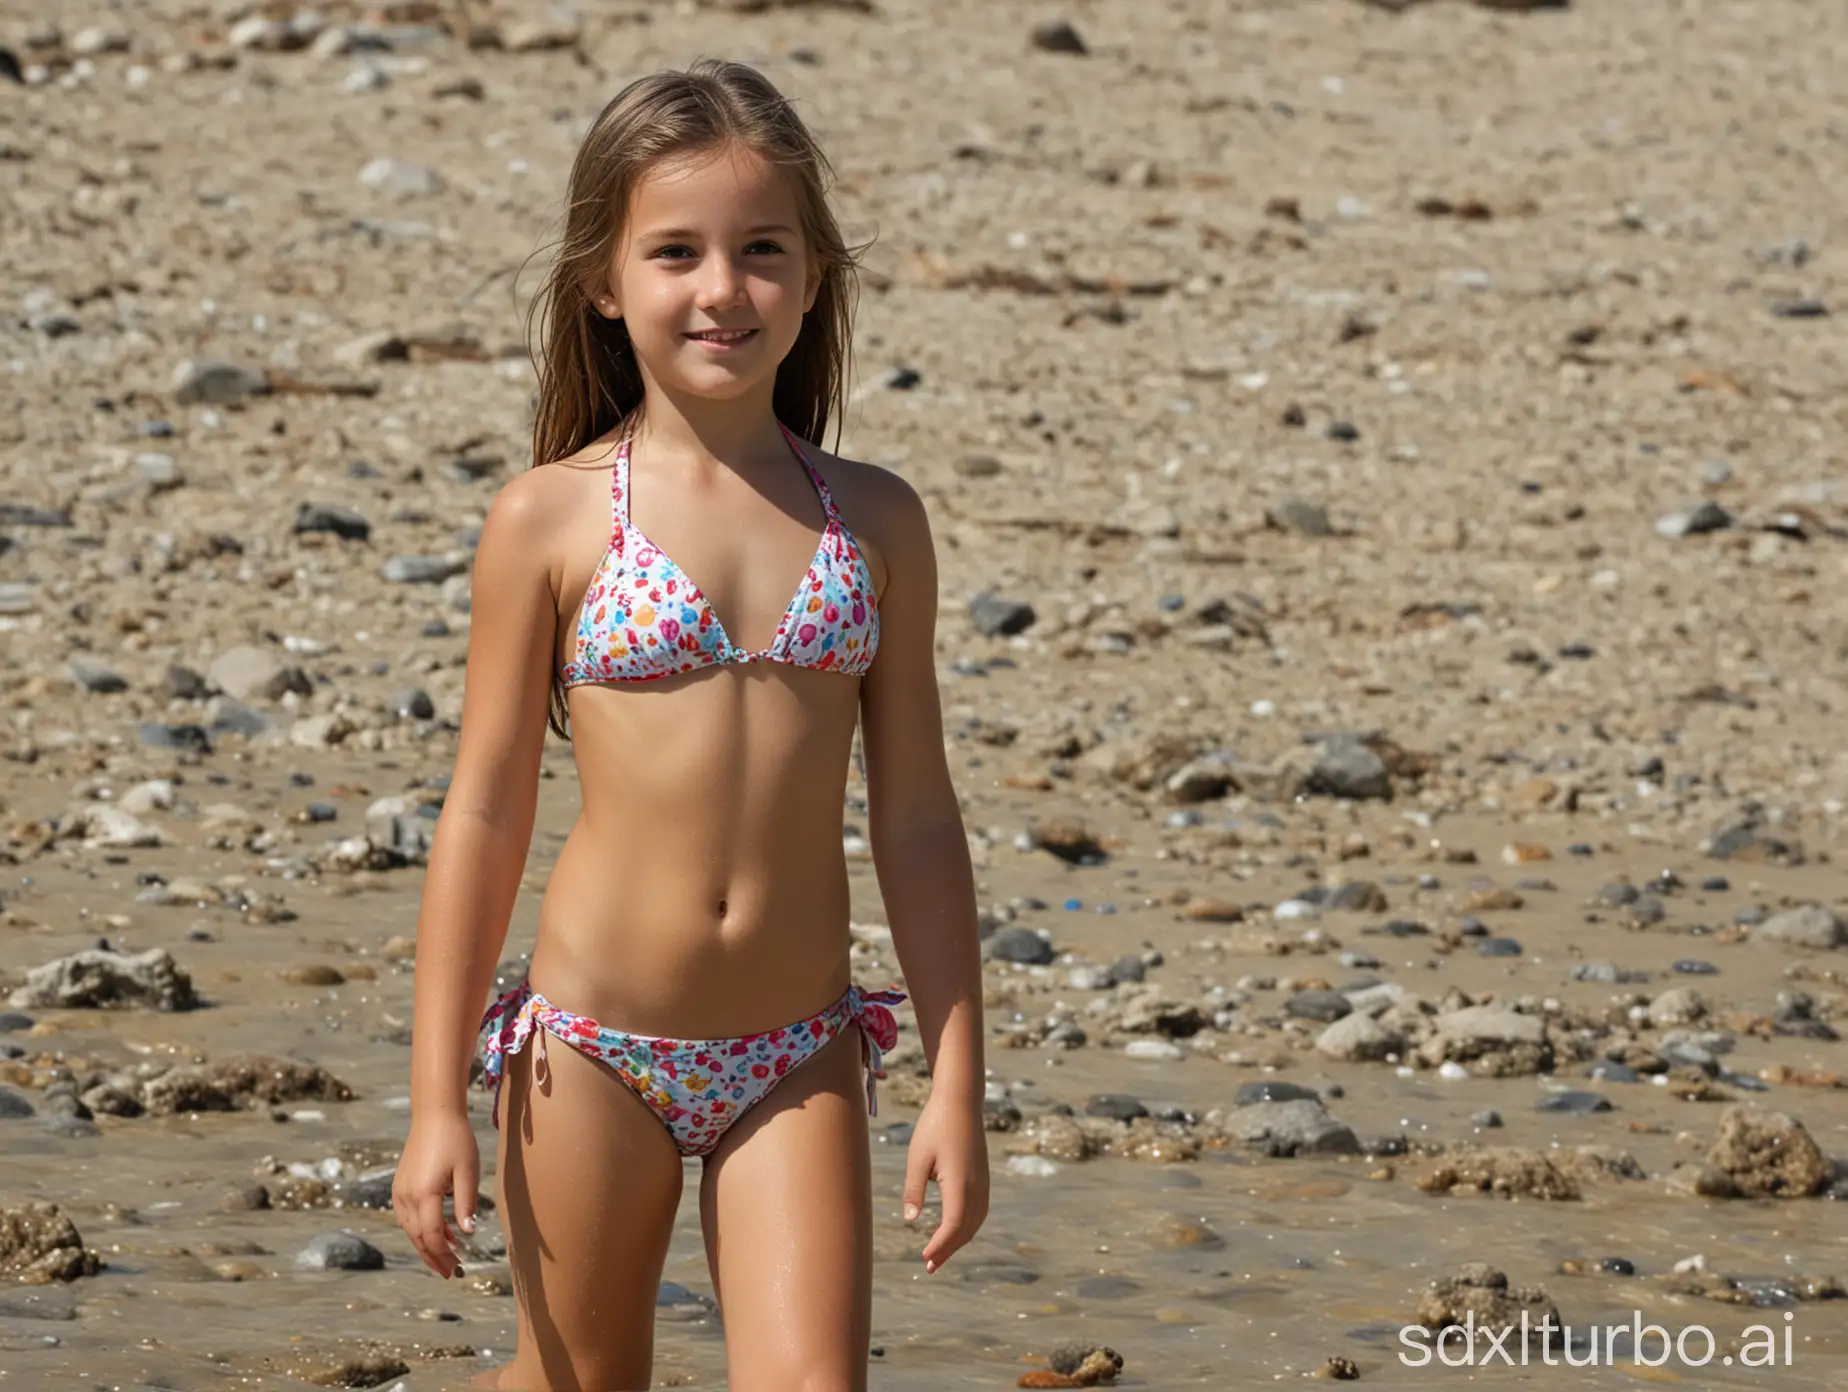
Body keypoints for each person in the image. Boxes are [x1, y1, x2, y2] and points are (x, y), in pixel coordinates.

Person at [390, 58, 990, 1392]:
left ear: (817, 272)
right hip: (594, 1046)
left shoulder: (874, 521)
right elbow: (485, 811)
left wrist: (957, 1080)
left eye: (761, 249)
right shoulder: (548, 518)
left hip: (799, 1050)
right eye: (676, 252)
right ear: (606, 281)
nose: (722, 288)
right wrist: (437, 1102)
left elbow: (917, 814)